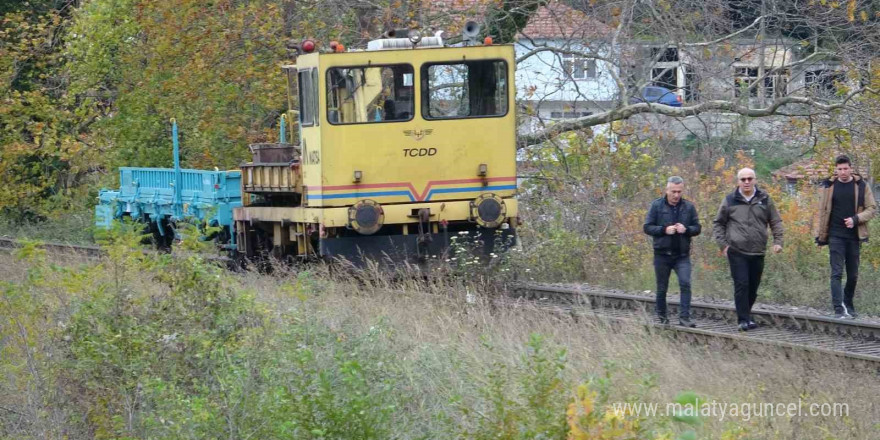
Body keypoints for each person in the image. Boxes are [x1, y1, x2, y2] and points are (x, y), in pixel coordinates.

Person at [712, 168, 784, 331]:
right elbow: (718, 223)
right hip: (737, 250)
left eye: (749, 179)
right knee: (742, 284)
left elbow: (775, 221)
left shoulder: (764, 199)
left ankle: (747, 314)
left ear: (755, 180)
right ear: (738, 181)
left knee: (753, 286)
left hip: (758, 250)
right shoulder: (730, 200)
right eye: (743, 179)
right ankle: (743, 319)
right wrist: (723, 245)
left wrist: (778, 241)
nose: (746, 182)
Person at [812, 155, 877, 319]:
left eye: (845, 168)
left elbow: (872, 209)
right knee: (836, 273)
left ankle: (848, 304)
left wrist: (856, 219)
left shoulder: (861, 185)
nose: (843, 172)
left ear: (851, 168)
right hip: (835, 235)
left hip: (854, 236)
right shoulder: (829, 186)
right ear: (836, 169)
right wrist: (819, 236)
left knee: (853, 274)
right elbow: (821, 211)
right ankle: (838, 309)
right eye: (840, 169)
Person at [643, 176, 701, 327]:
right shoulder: (656, 206)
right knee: (662, 287)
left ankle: (684, 318)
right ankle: (662, 318)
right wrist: (663, 230)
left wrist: (686, 229)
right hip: (662, 254)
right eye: (673, 191)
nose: (676, 195)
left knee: (685, 283)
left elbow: (697, 228)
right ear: (667, 190)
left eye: (679, 191)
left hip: (682, 255)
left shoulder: (688, 207)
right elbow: (647, 227)